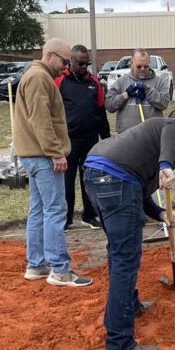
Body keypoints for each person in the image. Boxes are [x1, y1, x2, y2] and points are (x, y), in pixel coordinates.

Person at [83, 109, 175, 350]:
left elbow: (139, 194)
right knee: (125, 258)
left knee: (118, 251)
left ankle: (130, 307)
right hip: (115, 179)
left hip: (95, 173)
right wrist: (166, 164)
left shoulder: (143, 145)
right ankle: (119, 344)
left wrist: (161, 214)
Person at [14, 39, 92, 287]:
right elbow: (41, 121)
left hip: (35, 154)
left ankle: (36, 265)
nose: (66, 67)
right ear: (49, 55)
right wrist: (56, 153)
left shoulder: (38, 75)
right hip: (43, 155)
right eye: (64, 61)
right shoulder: (39, 78)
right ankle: (60, 270)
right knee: (56, 209)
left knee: (39, 209)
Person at [55, 44, 111, 230]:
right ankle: (66, 218)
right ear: (71, 61)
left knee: (89, 178)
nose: (84, 67)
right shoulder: (60, 82)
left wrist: (107, 138)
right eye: (80, 63)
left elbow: (101, 112)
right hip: (68, 140)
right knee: (67, 181)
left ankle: (89, 215)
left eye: (87, 64)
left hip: (90, 139)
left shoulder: (95, 83)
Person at [105, 50, 171, 133]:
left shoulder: (159, 82)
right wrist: (126, 94)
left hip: (151, 135)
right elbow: (109, 106)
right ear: (132, 63)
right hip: (126, 136)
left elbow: (164, 103)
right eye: (139, 66)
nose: (142, 69)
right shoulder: (122, 81)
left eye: (146, 66)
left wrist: (147, 90)